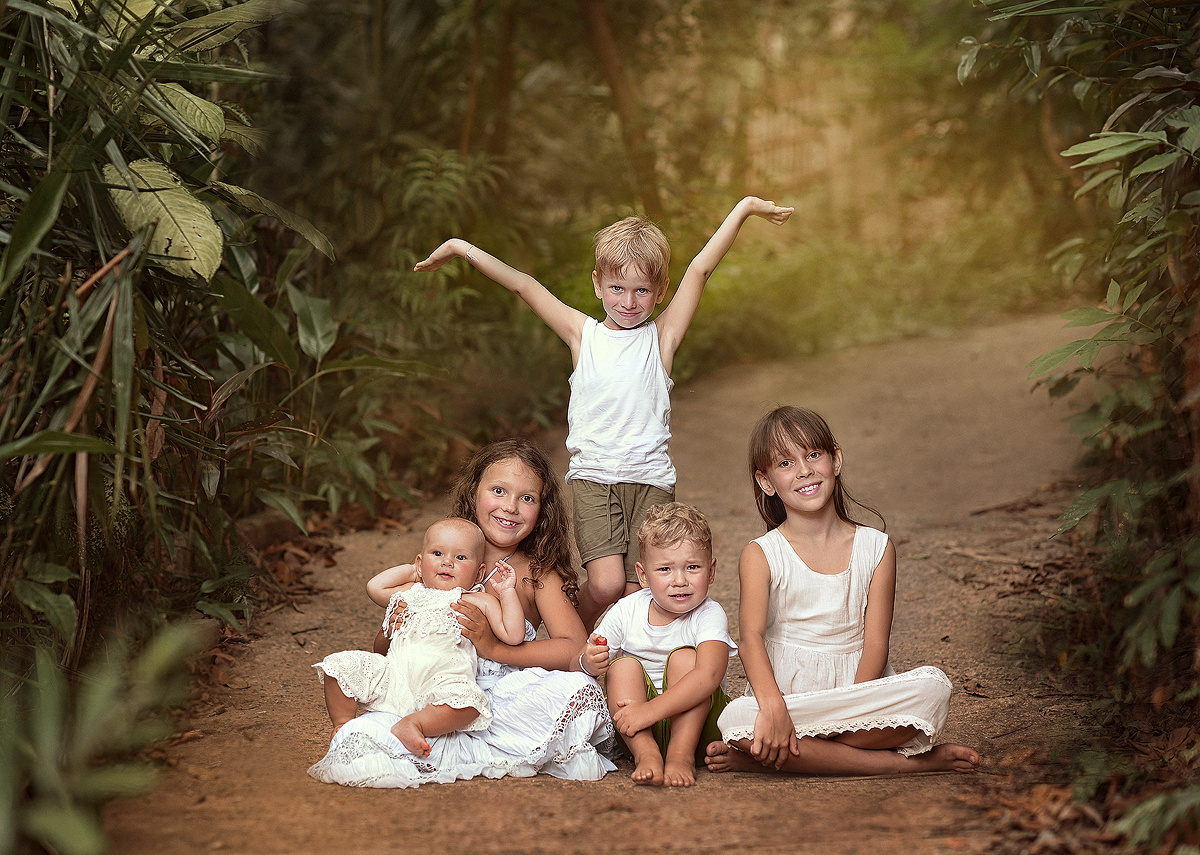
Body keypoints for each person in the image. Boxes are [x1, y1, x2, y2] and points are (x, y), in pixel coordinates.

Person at [414, 197, 794, 629]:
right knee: (607, 583)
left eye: (642, 290)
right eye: (617, 288)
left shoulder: (662, 338)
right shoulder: (583, 335)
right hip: (596, 478)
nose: (628, 301)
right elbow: (523, 285)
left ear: (660, 291)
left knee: (639, 589)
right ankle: (568, 637)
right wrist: (460, 247)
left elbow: (700, 270)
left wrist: (744, 208)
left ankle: (626, 655)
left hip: (651, 481)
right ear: (597, 284)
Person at [308, 440, 617, 788]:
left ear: (542, 511)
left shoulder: (537, 572)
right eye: (498, 491)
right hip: (429, 688)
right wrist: (392, 629)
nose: (510, 507)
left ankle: (459, 736)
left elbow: (573, 646)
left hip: (498, 693)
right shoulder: (444, 556)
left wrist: (495, 650)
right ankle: (415, 730)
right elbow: (387, 651)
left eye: (527, 498)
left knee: (577, 688)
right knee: (363, 734)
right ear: (473, 493)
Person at [704, 406, 980, 776]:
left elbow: (876, 645)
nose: (804, 470)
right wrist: (772, 707)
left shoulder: (876, 547)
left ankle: (776, 757)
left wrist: (854, 710)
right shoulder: (761, 554)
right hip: (789, 699)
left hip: (858, 693)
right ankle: (901, 765)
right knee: (736, 719)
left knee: (933, 688)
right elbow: (750, 638)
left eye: (813, 454)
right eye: (785, 463)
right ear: (766, 482)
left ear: (836, 460)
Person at [314, 518, 524, 757]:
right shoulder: (412, 592)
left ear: (479, 573)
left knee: (469, 704)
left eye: (460, 557)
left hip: (443, 682)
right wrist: (415, 571)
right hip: (394, 675)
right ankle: (343, 724)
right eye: (437, 553)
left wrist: (507, 592)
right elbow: (374, 587)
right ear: (420, 562)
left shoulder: (477, 600)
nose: (447, 562)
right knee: (339, 666)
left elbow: (513, 635)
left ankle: (415, 723)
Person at [574, 502, 735, 787]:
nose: (679, 580)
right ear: (643, 575)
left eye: (692, 567)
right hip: (636, 728)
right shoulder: (627, 610)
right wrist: (589, 660)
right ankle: (646, 754)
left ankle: (680, 756)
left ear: (711, 571)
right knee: (621, 667)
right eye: (664, 569)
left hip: (698, 728)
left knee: (686, 659)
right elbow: (580, 663)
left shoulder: (709, 614)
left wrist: (649, 712)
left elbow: (709, 675)